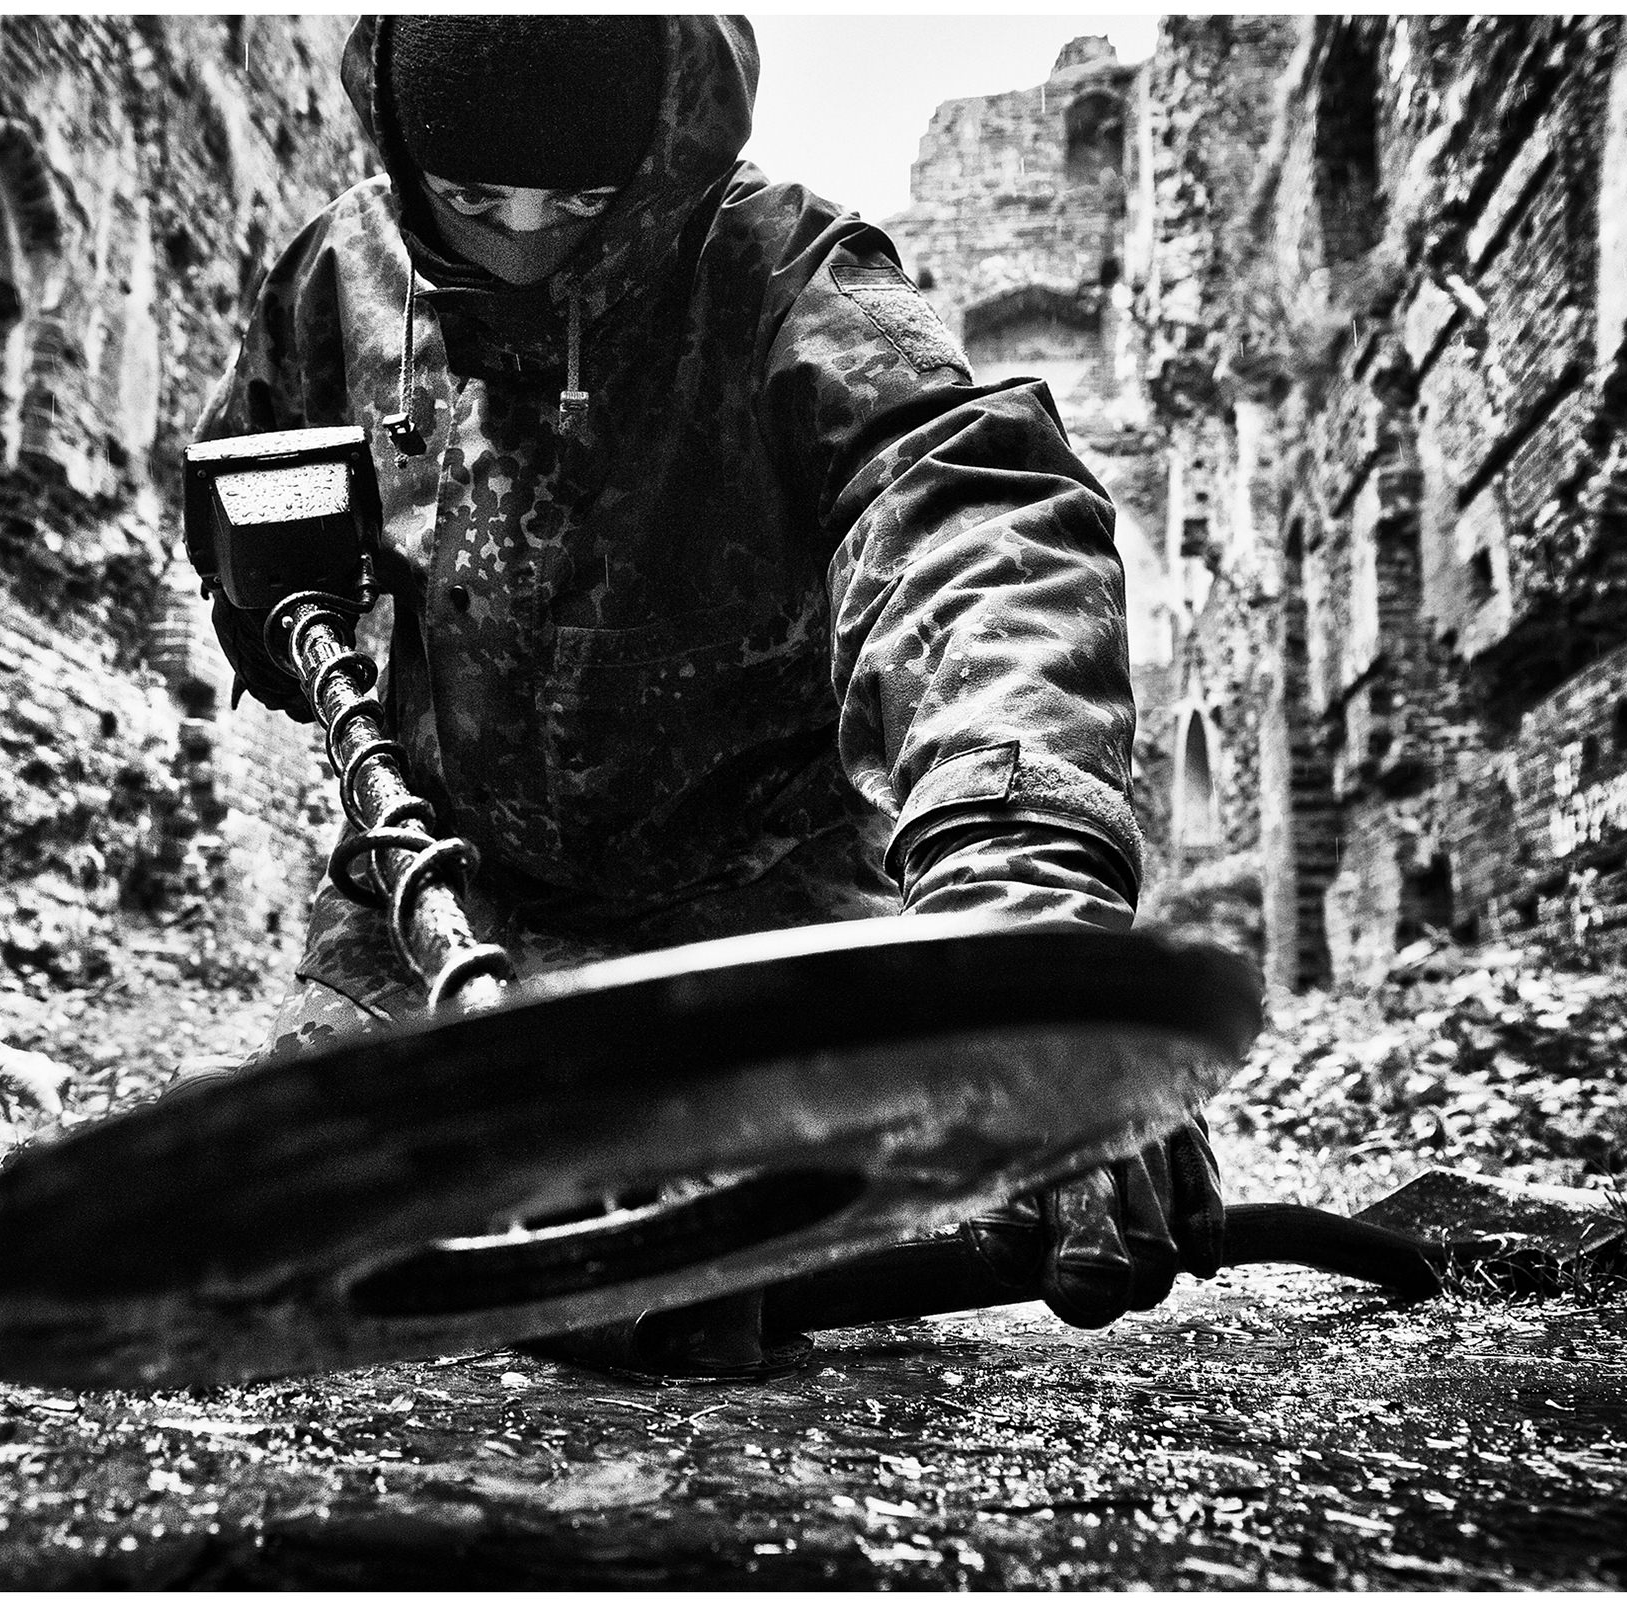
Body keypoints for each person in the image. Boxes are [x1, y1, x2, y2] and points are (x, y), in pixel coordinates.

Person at [193, 16, 1221, 1367]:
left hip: (763, 924)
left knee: (748, 1331)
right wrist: (273, 607)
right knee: (261, 1255)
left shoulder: (794, 285)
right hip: (441, 900)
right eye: (469, 199)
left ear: (663, 152)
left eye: (577, 198)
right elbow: (255, 493)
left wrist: (1030, 949)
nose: (521, 239)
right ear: (402, 142)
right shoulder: (339, 277)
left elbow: (976, 536)